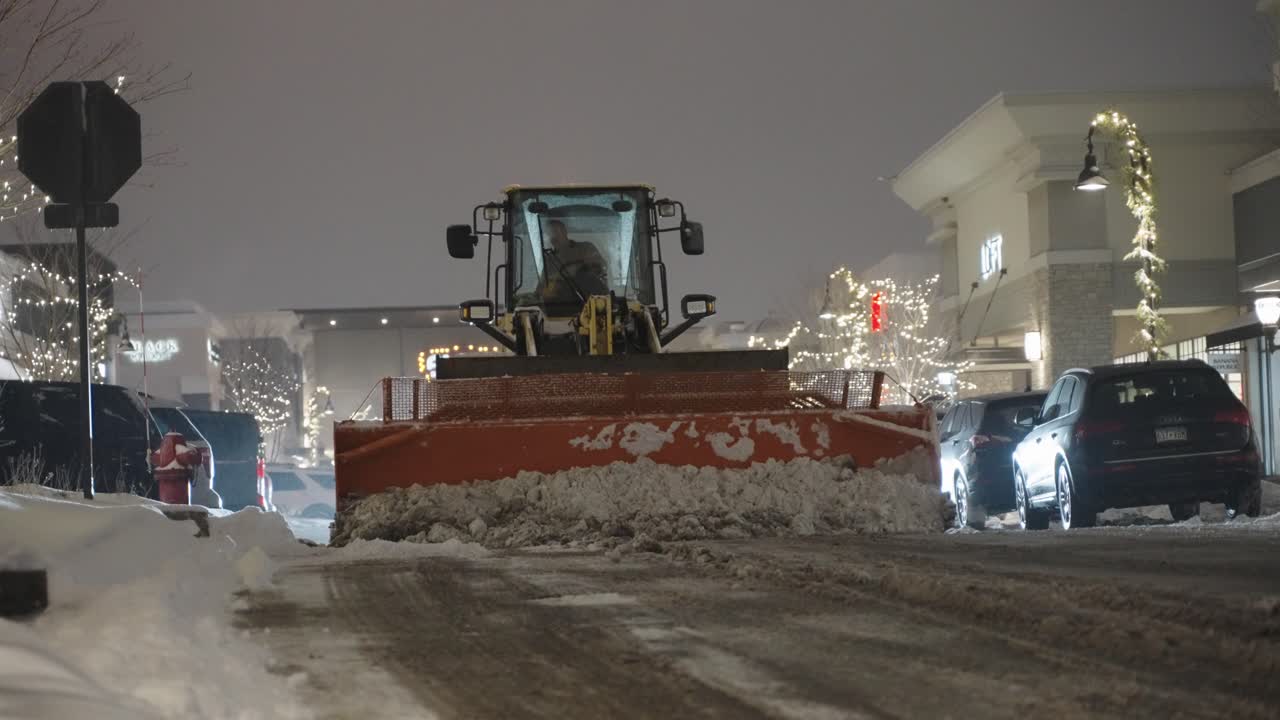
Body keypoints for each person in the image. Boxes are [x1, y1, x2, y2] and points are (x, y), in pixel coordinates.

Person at [541, 219, 608, 301]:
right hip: (559, 307)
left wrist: (579, 268)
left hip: (593, 303)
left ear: (565, 232)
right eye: (550, 234)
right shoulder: (550, 260)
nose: (554, 237)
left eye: (557, 232)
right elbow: (541, 288)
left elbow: (601, 268)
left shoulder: (586, 248)